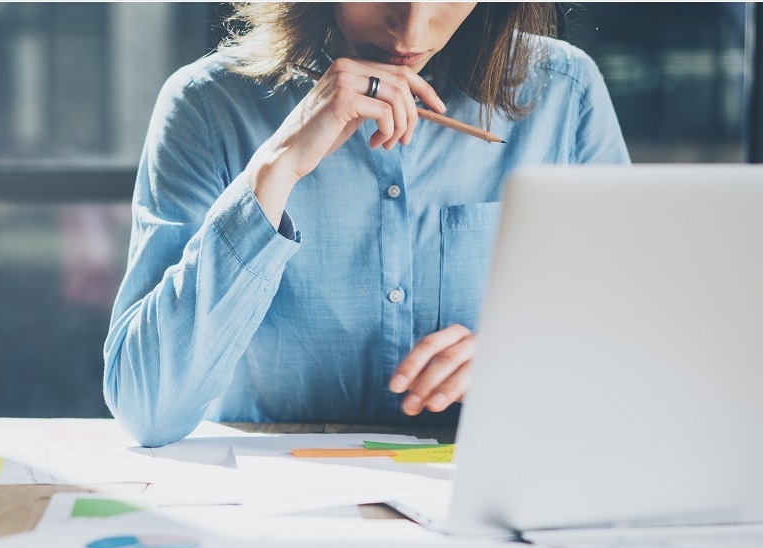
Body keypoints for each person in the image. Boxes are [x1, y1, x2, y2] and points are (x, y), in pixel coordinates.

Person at [103, 2, 630, 447]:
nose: (412, 30)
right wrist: (276, 169)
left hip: (486, 496)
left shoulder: (566, 94)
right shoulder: (206, 106)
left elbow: (636, 355)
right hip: (274, 511)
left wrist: (532, 360)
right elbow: (146, 408)